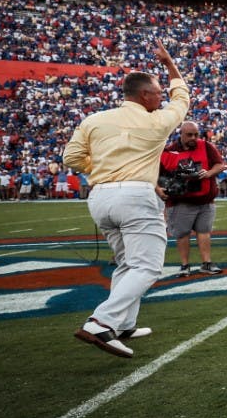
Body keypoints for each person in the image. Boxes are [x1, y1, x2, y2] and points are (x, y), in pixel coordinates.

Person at [61, 43, 189, 359]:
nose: (161, 98)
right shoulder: (156, 121)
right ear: (145, 95)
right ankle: (101, 322)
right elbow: (182, 96)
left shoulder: (94, 120)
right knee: (147, 266)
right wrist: (170, 64)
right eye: (157, 93)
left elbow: (71, 157)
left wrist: (102, 169)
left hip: (101, 196)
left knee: (126, 263)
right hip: (135, 196)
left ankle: (123, 323)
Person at [159, 121, 227, 277]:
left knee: (204, 232)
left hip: (205, 200)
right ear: (181, 134)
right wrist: (160, 188)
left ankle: (206, 263)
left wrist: (209, 173)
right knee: (182, 234)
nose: (193, 137)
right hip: (181, 202)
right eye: (189, 134)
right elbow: (158, 175)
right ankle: (185, 265)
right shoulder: (169, 151)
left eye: (196, 134)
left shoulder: (206, 146)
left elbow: (219, 165)